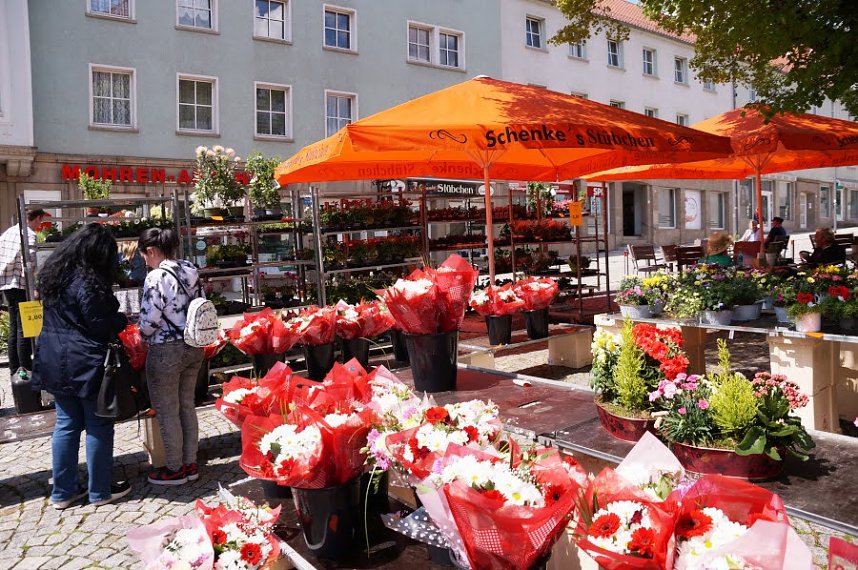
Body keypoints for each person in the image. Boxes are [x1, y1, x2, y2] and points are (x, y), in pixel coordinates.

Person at [30, 223, 131, 509]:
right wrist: (122, 319)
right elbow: (98, 323)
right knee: (98, 423)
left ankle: (63, 492)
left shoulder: (54, 275)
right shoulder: (88, 281)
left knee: (66, 424)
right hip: (86, 361)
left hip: (54, 358)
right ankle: (100, 491)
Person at [137, 227, 205, 485]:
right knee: (186, 405)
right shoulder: (190, 269)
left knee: (167, 410)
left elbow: (149, 322)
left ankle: (174, 468)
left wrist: (140, 334)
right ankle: (191, 463)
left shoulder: (155, 277)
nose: (144, 259)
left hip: (166, 349)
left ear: (151, 250)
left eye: (143, 254)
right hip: (193, 345)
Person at [0, 208, 48, 374]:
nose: (40, 225)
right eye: (41, 220)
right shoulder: (29, 235)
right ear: (37, 218)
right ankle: (26, 369)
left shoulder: (8, 233)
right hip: (21, 285)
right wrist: (34, 288)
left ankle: (14, 370)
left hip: (7, 285)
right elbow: (30, 263)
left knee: (14, 327)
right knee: (24, 329)